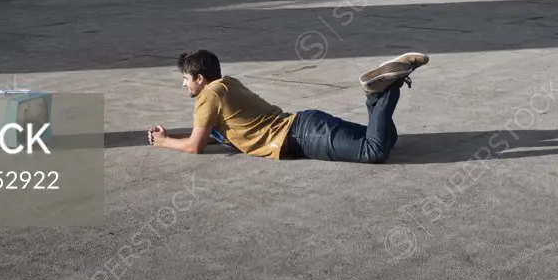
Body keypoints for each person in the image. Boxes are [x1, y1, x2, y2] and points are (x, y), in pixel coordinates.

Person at [147, 49, 428, 164]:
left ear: (200, 78)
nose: (184, 85)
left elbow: (195, 146)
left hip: (300, 136)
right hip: (306, 125)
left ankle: (383, 89)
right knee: (387, 139)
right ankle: (378, 92)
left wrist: (164, 141)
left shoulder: (208, 95)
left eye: (185, 79)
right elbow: (211, 135)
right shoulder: (227, 84)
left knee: (375, 151)